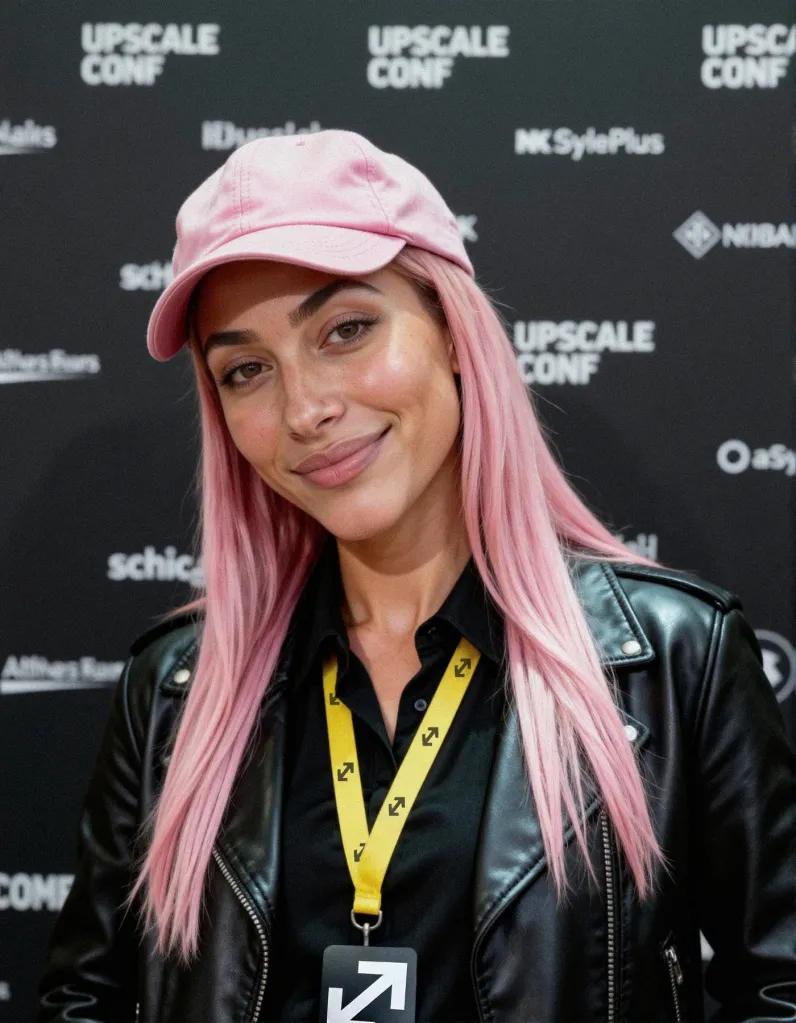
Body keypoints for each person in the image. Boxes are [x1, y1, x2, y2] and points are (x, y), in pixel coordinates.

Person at [36, 129, 795, 1023]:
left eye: (346, 329)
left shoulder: (672, 662)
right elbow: (84, 999)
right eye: (246, 370)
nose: (306, 408)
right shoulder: (174, 689)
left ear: (453, 332)